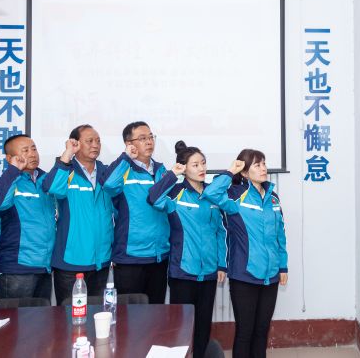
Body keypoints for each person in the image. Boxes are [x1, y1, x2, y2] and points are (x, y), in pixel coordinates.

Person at [205, 149, 288, 358]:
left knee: (262, 331)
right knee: (245, 332)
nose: (263, 168)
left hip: (271, 275)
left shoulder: (273, 198)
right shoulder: (235, 196)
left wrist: (283, 266)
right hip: (244, 275)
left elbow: (280, 235)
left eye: (264, 163)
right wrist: (230, 171)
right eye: (257, 165)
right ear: (244, 172)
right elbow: (211, 193)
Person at [147, 141, 226, 358]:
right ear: (184, 168)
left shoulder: (212, 194)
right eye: (195, 165)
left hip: (209, 272)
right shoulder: (175, 193)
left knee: (203, 325)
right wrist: (173, 174)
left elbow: (220, 232)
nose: (201, 168)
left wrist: (221, 264)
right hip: (183, 272)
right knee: (181, 327)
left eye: (203, 163)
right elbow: (153, 198)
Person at [43, 124, 115, 305]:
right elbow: (51, 188)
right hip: (71, 262)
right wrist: (67, 155)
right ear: (75, 143)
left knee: (99, 315)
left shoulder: (106, 173)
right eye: (89, 141)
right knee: (69, 317)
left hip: (101, 261)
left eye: (98, 141)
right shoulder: (66, 171)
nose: (95, 145)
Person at [99, 121, 169, 303]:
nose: (149, 142)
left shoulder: (161, 170)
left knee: (157, 313)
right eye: (142, 138)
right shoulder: (122, 169)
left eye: (151, 137)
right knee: (129, 315)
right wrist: (126, 157)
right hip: (131, 258)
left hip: (159, 256)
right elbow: (108, 185)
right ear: (129, 144)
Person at [0, 134, 55, 300]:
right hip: (15, 268)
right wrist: (13, 170)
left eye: (34, 149)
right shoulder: (5, 182)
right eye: (25, 150)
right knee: (13, 317)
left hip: (44, 266)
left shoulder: (45, 181)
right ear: (9, 158)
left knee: (42, 315)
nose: (32, 154)